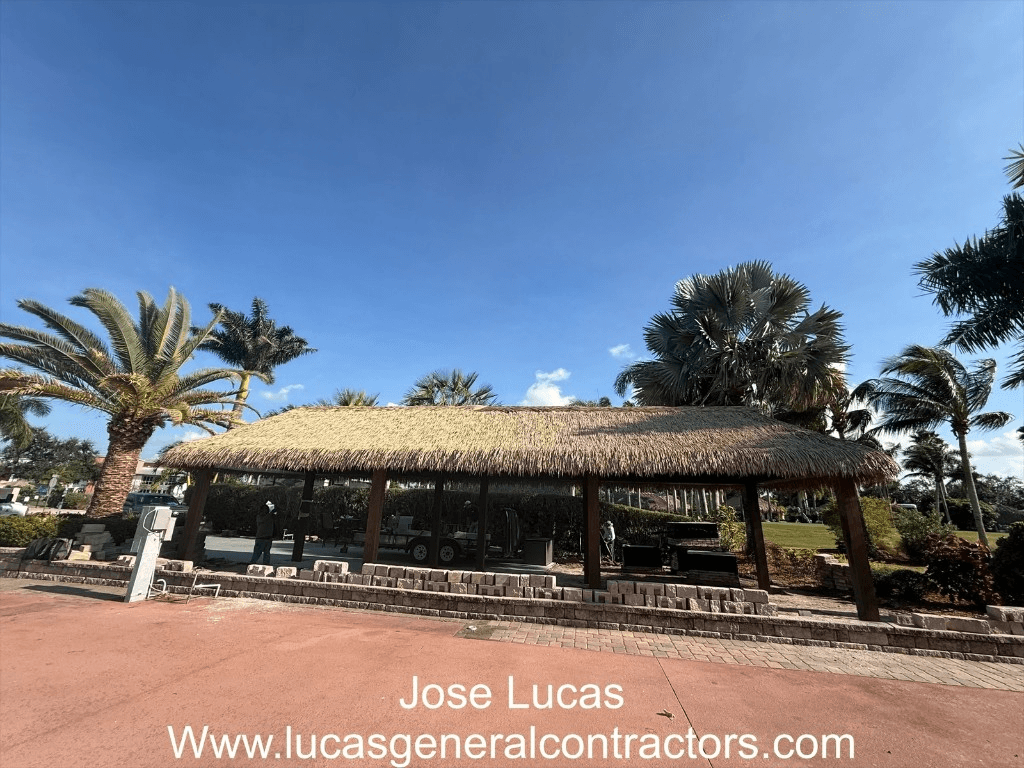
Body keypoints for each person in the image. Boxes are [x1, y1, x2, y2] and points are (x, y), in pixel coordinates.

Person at [250, 500, 277, 565]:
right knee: (257, 553)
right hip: (260, 537)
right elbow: (263, 520)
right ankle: (252, 563)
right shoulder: (259, 517)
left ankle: (266, 564)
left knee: (267, 553)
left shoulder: (271, 517)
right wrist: (270, 514)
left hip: (268, 537)